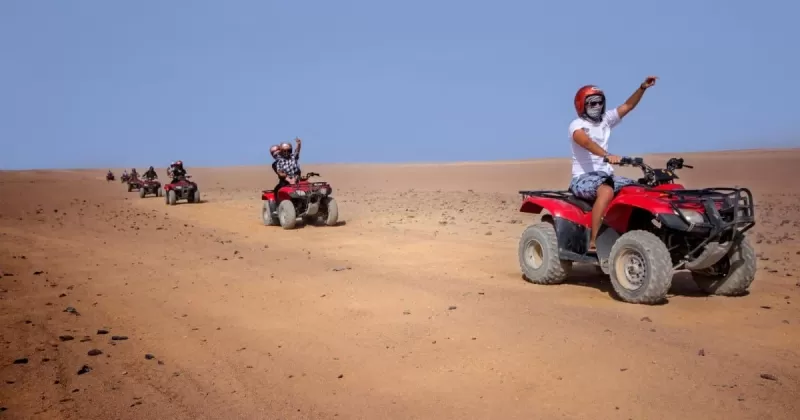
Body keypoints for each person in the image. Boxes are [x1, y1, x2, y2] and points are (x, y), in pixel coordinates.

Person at [567, 76, 658, 253]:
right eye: (592, 103)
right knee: (606, 191)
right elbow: (586, 142)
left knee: (640, 189)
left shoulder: (606, 120)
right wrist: (607, 156)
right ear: (582, 105)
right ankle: (593, 241)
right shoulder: (577, 125)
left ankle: (641, 233)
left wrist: (642, 88)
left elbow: (627, 106)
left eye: (599, 103)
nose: (597, 107)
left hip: (606, 176)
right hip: (583, 179)